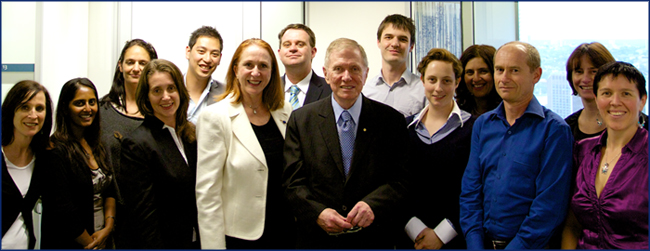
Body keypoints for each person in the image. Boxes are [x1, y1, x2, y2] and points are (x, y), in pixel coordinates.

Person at [283, 38, 410, 249]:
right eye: (338, 69)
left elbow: (402, 179)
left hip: (373, 239)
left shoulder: (391, 121)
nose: (346, 77)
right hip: (317, 240)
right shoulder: (301, 120)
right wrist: (318, 212)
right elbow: (292, 183)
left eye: (354, 69)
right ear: (326, 73)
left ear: (366, 73)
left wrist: (373, 205)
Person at [459, 41, 573, 249]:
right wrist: (475, 244)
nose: (504, 78)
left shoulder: (555, 130)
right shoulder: (483, 125)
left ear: (536, 75)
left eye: (514, 70)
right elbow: (470, 192)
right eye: (500, 70)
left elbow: (549, 208)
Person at [196, 38, 294, 249]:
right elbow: (207, 194)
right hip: (240, 238)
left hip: (285, 231)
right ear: (236, 69)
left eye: (263, 66)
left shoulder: (285, 111)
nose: (255, 73)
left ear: (272, 71)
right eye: (248, 65)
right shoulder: (215, 117)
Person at [562, 61, 648, 249]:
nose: (615, 102)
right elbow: (572, 225)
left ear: (642, 100)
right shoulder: (581, 150)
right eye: (606, 93)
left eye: (626, 93)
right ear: (597, 97)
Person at [119, 59, 199, 249]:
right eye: (157, 90)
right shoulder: (137, 144)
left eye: (171, 88)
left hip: (195, 240)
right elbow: (143, 216)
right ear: (146, 97)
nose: (166, 97)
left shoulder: (191, 134)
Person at [399, 48, 474, 250]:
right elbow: (398, 184)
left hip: (456, 239)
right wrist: (416, 231)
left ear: (457, 82)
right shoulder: (405, 129)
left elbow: (475, 189)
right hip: (411, 238)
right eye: (432, 80)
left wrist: (441, 235)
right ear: (422, 80)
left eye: (446, 81)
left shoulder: (474, 129)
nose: (438, 88)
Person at [41, 78, 116, 249]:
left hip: (103, 237)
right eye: (80, 103)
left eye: (92, 102)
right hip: (74, 243)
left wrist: (109, 227)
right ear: (66, 108)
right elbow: (63, 209)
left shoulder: (97, 144)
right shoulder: (55, 150)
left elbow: (109, 189)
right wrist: (91, 245)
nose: (88, 109)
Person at [99, 38, 157, 248]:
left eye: (143, 63)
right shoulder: (101, 111)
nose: (136, 68)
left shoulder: (160, 115)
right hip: (107, 217)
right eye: (130, 62)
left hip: (148, 219)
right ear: (120, 66)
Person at [2, 81, 53, 249]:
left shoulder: (43, 158)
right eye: (25, 107)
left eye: (39, 108)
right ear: (11, 110)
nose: (33, 115)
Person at [564, 42, 648, 142]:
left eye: (593, 71)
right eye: (579, 72)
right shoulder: (566, 128)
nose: (585, 79)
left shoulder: (644, 125)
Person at [362, 14, 426, 117]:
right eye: (389, 37)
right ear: (378, 42)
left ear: (411, 47)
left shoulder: (423, 91)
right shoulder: (365, 91)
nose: (395, 44)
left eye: (403, 39)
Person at [277, 23, 331, 109]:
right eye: (287, 44)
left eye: (300, 44)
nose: (293, 49)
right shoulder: (268, 89)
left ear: (313, 52)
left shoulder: (330, 91)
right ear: (279, 53)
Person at [185, 26, 226, 124]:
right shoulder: (170, 89)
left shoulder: (227, 94)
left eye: (214, 54)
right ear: (188, 52)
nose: (207, 59)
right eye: (201, 51)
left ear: (220, 58)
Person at [456, 44, 502, 116]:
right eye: (470, 72)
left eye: (483, 71)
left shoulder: (507, 111)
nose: (476, 79)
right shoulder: (457, 112)